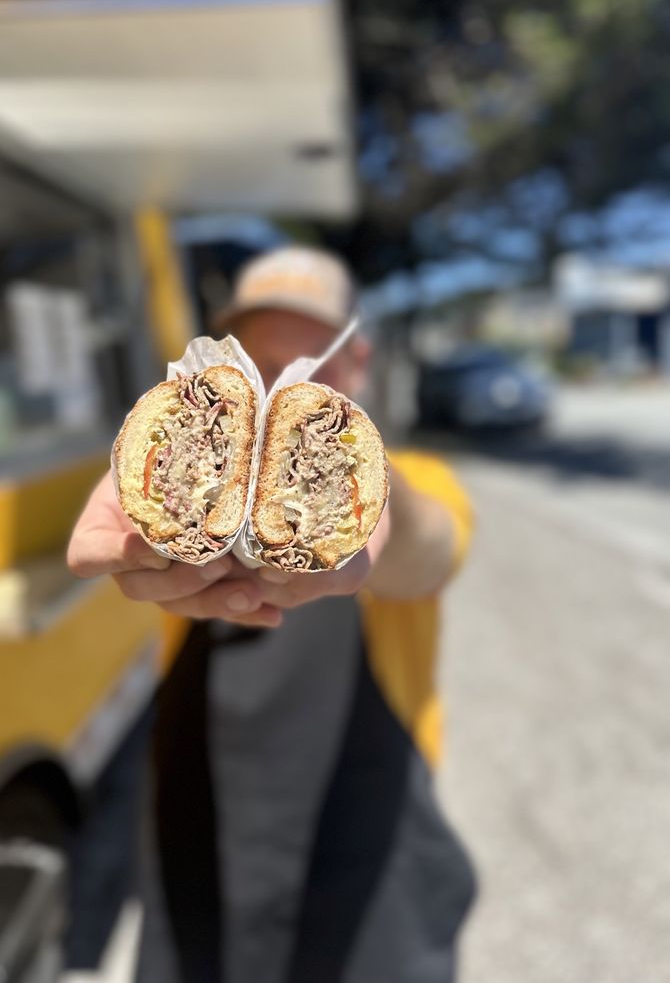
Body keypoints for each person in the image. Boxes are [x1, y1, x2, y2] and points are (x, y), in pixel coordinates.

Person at [67, 246, 476, 983]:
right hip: (198, 834)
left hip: (369, 857)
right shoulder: (184, 482)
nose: (290, 388)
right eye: (264, 362)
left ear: (358, 364)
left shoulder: (418, 479)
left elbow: (432, 555)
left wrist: (374, 497)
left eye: (314, 363)